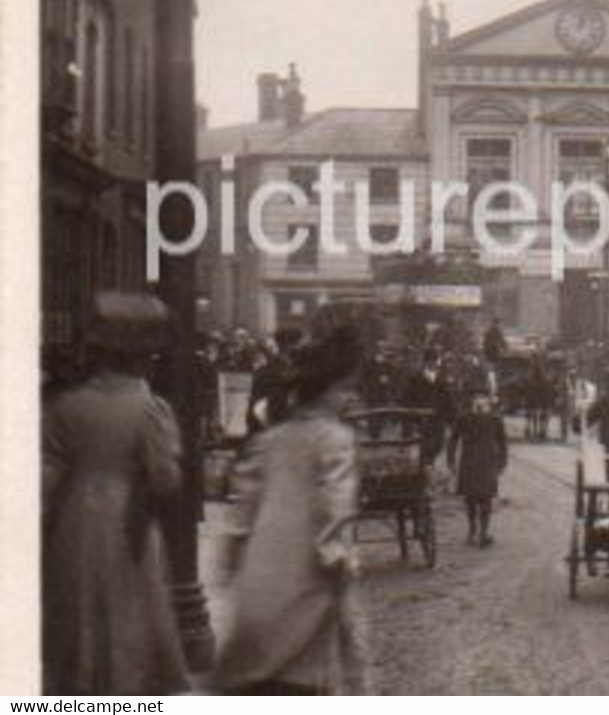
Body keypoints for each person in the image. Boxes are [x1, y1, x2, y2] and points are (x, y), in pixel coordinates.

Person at [42, 293, 189, 695]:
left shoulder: (64, 406)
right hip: (129, 517)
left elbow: (45, 481)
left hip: (73, 519)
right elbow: (164, 479)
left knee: (77, 607)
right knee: (130, 609)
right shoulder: (151, 410)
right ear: (144, 356)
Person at [215, 326, 367, 695]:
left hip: (257, 590)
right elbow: (333, 518)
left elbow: (239, 522)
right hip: (305, 592)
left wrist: (232, 568)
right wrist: (343, 569)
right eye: (344, 389)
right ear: (326, 391)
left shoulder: (269, 442)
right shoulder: (335, 441)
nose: (348, 398)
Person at [448, 392, 508, 547]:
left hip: (488, 462)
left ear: (487, 401)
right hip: (469, 463)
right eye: (477, 398)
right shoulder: (463, 418)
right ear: (473, 401)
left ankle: (483, 533)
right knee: (470, 499)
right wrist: (451, 461)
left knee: (486, 498)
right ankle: (472, 529)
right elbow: (453, 440)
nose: (480, 402)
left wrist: (502, 462)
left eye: (483, 398)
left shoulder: (495, 419)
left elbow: (502, 443)